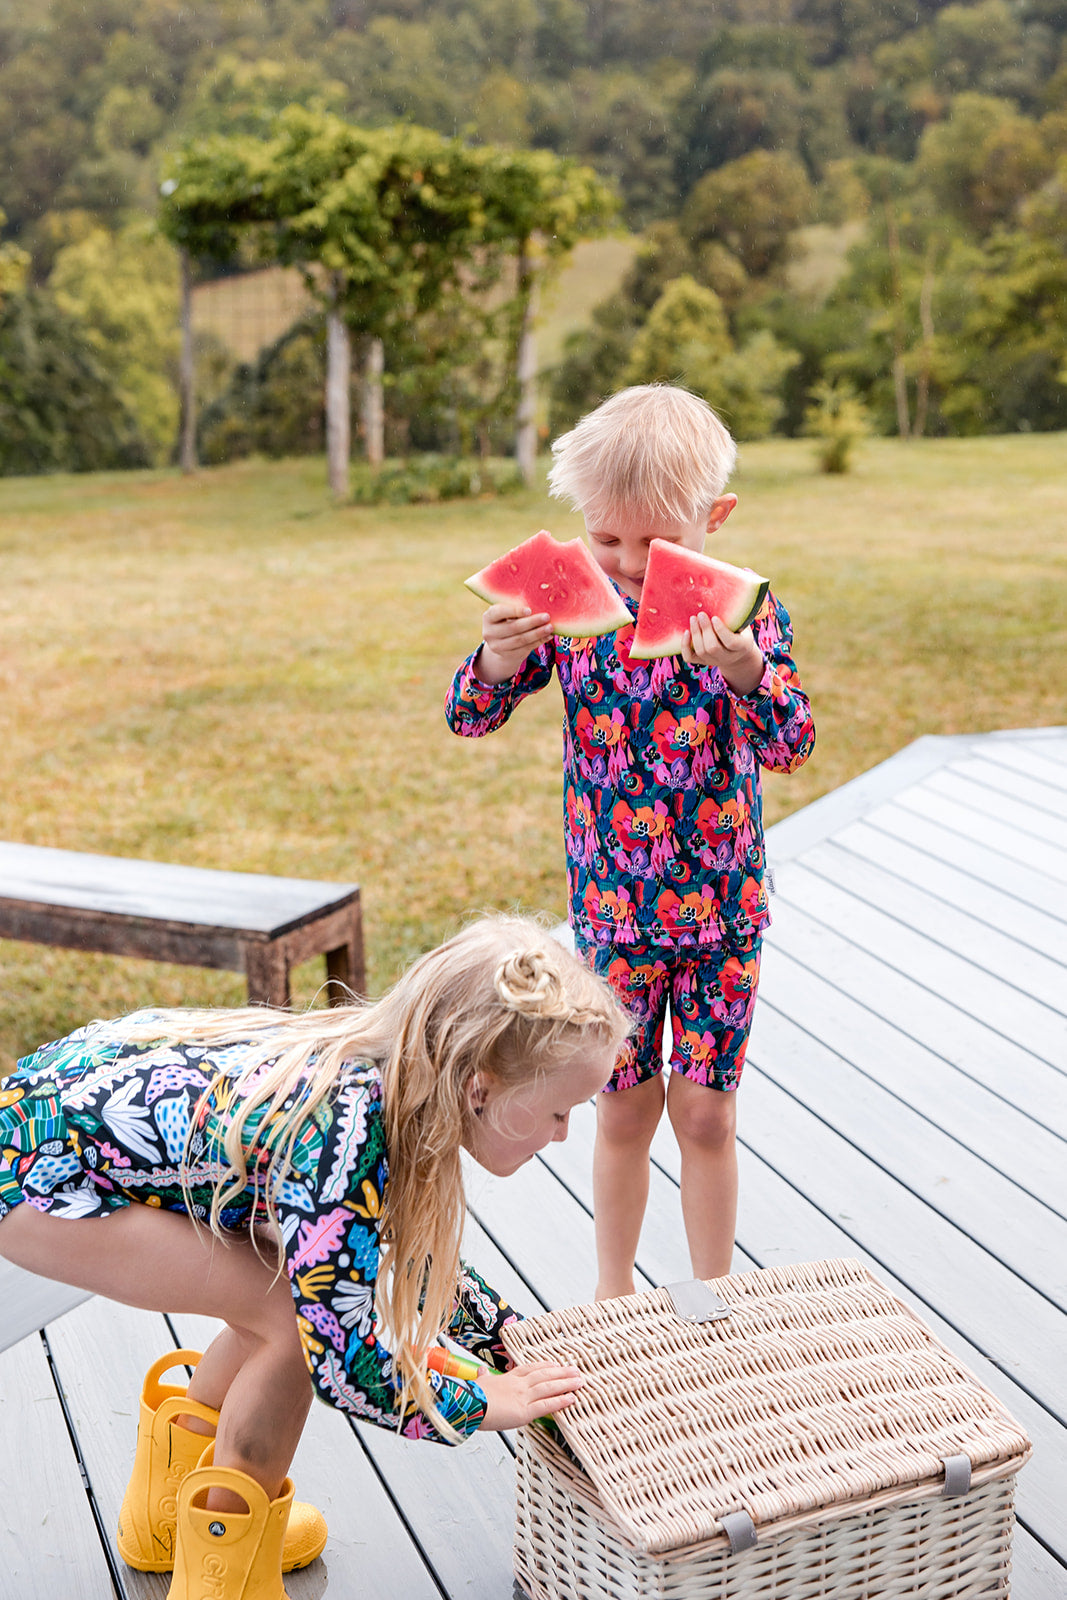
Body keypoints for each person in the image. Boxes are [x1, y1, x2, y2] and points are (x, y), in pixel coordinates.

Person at [0, 914, 629, 1600]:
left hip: (56, 1130)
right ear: (480, 1088)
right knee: (286, 1322)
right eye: (560, 1111)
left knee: (283, 1288)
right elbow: (344, 1363)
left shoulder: (399, 1080)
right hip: (37, 1174)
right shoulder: (344, 1130)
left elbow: (406, 1259)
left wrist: (509, 1341)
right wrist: (482, 1400)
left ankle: (166, 1517)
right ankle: (222, 1577)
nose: (565, 1134)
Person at [446, 385, 815, 1301]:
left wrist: (745, 672)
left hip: (725, 913)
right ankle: (613, 1295)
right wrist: (495, 656)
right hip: (612, 914)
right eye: (605, 542)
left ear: (715, 518)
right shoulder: (574, 620)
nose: (627, 565)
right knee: (619, 1113)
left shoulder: (747, 620)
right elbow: (469, 716)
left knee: (705, 1116)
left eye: (656, 545)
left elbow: (792, 743)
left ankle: (709, 1297)